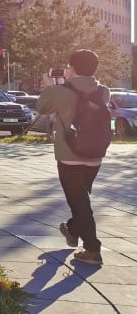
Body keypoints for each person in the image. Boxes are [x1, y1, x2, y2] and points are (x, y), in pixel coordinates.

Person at [36, 49, 109, 266]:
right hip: (95, 156)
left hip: (69, 155)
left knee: (79, 204)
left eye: (69, 67)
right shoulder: (103, 91)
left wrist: (50, 87)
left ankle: (92, 250)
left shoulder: (61, 91)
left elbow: (42, 107)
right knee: (81, 201)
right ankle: (72, 229)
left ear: (73, 68)